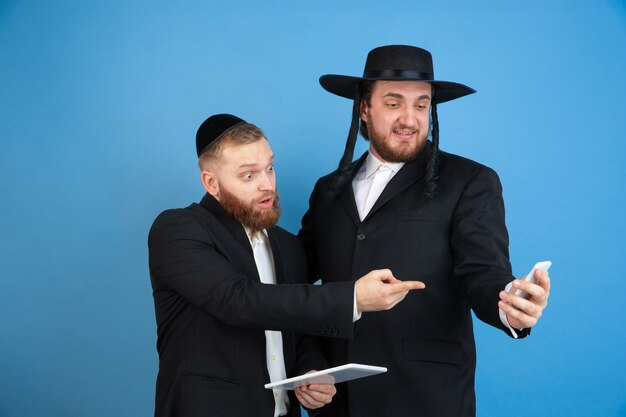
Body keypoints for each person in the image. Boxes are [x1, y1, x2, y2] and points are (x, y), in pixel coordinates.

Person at [297, 45, 552, 417]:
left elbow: (482, 271)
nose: (410, 119)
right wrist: (309, 364)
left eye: (421, 105)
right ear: (364, 108)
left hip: (426, 398)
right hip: (339, 402)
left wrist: (509, 303)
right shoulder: (328, 189)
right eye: (393, 103)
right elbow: (298, 288)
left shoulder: (469, 181)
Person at [147, 113, 425, 417]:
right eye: (248, 175)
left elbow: (296, 329)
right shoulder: (178, 229)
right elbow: (239, 301)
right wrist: (353, 298)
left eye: (269, 168)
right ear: (211, 183)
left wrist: (312, 372)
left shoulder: (288, 246)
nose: (267, 185)